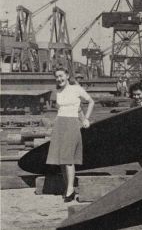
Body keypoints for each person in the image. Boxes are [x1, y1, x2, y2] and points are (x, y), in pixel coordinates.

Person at [46, 66, 94, 202]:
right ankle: (68, 187)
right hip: (60, 124)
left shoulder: (76, 89)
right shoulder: (58, 91)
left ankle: (70, 189)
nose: (59, 79)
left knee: (68, 158)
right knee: (61, 159)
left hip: (72, 125)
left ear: (67, 75)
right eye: (56, 77)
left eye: (61, 76)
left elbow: (91, 102)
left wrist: (86, 119)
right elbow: (63, 109)